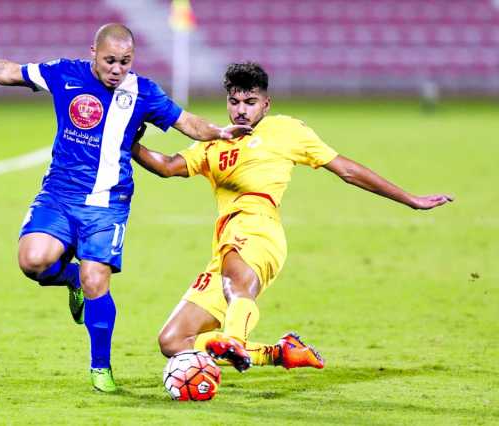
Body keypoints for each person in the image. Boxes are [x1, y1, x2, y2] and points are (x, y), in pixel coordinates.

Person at [0, 24, 251, 392]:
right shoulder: (64, 73)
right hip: (59, 194)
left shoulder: (143, 92)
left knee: (98, 280)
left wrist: (219, 132)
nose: (116, 69)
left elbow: (186, 121)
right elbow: (9, 71)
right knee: (32, 261)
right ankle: (71, 279)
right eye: (110, 60)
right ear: (93, 51)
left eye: (125, 62)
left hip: (108, 204)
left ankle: (100, 369)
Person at [131, 62, 453, 373]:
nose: (241, 110)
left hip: (260, 230)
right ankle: (279, 352)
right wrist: (130, 142)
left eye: (250, 102)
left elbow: (347, 171)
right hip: (225, 242)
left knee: (237, 277)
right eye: (234, 101)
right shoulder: (215, 141)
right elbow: (168, 166)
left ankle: (234, 339)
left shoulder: (285, 130)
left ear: (266, 104)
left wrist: (409, 199)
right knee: (174, 341)